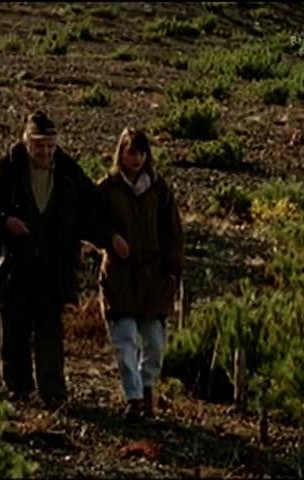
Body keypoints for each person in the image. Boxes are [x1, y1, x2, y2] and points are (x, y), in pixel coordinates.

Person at [0, 111, 126, 408]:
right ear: (26, 141)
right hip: (16, 263)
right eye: (39, 145)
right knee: (14, 329)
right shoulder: (7, 171)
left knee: (50, 331)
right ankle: (18, 388)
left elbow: (88, 215)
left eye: (50, 145)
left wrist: (109, 238)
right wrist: (6, 221)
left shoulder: (69, 174)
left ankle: (53, 391)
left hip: (52, 266)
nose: (45, 152)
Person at [97, 127, 184, 421]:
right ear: (120, 152)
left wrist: (173, 274)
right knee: (125, 342)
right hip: (120, 276)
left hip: (152, 276)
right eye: (130, 151)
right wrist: (110, 238)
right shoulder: (107, 188)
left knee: (155, 343)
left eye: (141, 153)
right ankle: (133, 399)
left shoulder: (159, 190)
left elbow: (173, 234)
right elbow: (91, 222)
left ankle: (148, 391)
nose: (135, 159)